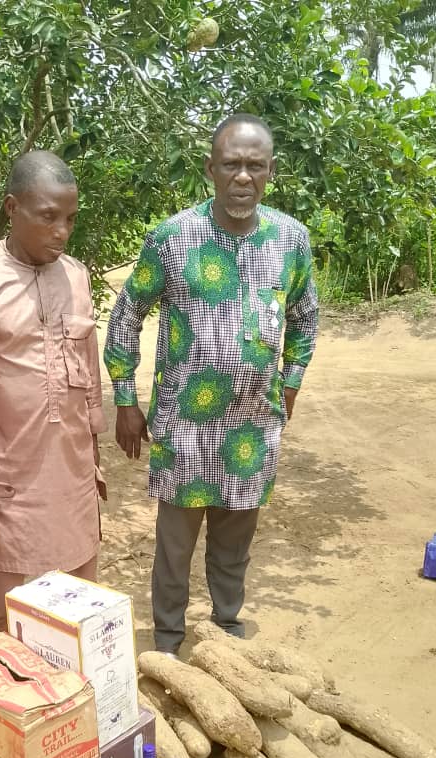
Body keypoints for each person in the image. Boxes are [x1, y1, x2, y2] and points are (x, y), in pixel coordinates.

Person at [104, 113, 318, 655]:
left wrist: (291, 382)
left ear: (271, 171)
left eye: (255, 166)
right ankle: (168, 641)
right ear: (210, 169)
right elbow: (126, 315)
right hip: (185, 426)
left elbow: (305, 317)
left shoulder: (291, 239)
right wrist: (126, 399)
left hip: (252, 424)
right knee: (175, 545)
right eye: (231, 164)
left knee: (235, 541)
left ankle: (226, 633)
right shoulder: (173, 237)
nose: (243, 177)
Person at [0, 150, 105, 629]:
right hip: (7, 481)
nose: (62, 231)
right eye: (48, 217)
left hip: (72, 475)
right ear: (13, 208)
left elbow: (88, 379)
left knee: (77, 611)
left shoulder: (76, 276)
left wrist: (94, 462)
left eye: (70, 219)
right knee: (3, 618)